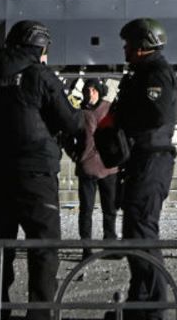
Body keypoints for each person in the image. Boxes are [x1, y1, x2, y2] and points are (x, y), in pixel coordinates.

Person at [0, 20, 82, 320]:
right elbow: (71, 122)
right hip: (36, 176)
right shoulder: (39, 75)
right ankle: (40, 314)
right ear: (39, 47)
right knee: (43, 248)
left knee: (0, 248)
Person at [103, 18, 177, 320]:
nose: (125, 48)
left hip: (151, 159)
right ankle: (139, 304)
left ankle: (153, 309)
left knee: (143, 232)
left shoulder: (155, 72)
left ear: (142, 44)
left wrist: (123, 125)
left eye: (129, 43)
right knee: (135, 232)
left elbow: (157, 114)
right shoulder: (141, 74)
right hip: (141, 160)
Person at [74, 78, 117, 259]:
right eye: (87, 90)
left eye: (92, 90)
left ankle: (110, 244)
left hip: (108, 166)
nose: (89, 93)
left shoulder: (109, 109)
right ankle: (87, 248)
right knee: (86, 210)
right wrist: (76, 155)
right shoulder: (79, 112)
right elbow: (68, 135)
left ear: (99, 91)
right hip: (88, 167)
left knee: (110, 209)